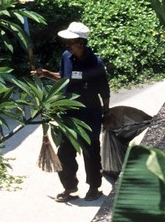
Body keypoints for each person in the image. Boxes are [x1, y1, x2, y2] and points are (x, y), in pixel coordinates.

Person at [34, 20, 110, 202]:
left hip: (90, 114)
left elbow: (105, 93)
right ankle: (70, 187)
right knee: (64, 153)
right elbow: (63, 77)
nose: (67, 45)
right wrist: (46, 74)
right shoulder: (66, 57)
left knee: (90, 152)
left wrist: (106, 114)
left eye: (71, 42)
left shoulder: (95, 64)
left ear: (81, 43)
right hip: (69, 113)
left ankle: (94, 188)